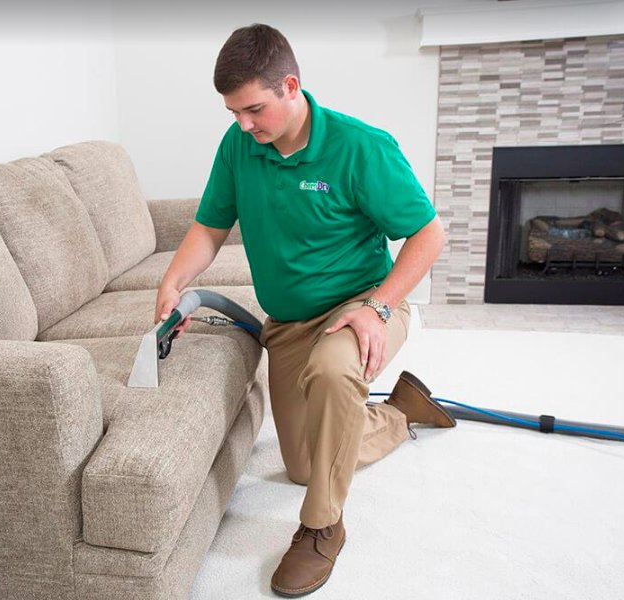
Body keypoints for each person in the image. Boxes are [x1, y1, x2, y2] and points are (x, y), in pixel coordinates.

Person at [154, 23, 456, 597]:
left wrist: (378, 307)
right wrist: (173, 281)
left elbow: (429, 234)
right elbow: (210, 227)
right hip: (289, 324)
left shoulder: (360, 147)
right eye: (234, 112)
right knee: (302, 466)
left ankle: (322, 528)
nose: (244, 125)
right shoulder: (239, 146)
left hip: (358, 306)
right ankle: (399, 413)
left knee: (334, 373)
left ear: (291, 86)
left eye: (254, 109)